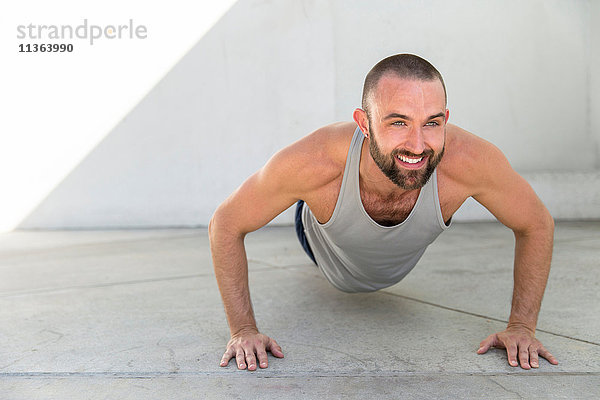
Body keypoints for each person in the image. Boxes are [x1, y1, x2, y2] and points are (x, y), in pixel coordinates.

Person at [209, 54, 558, 372]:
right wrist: (243, 330)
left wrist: (522, 327)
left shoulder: (470, 162)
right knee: (312, 194)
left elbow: (536, 223)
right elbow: (225, 223)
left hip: (396, 254)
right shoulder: (314, 162)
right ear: (364, 123)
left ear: (446, 120)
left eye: (432, 123)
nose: (418, 144)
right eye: (398, 123)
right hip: (323, 240)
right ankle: (312, 207)